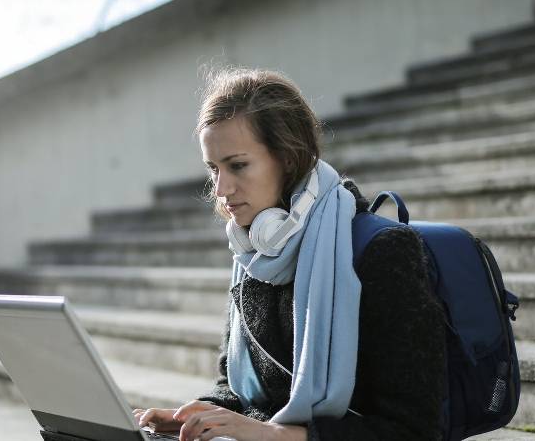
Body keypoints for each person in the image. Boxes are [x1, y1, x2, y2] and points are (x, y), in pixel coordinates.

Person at [133, 68, 446, 441]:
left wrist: (281, 436)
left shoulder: (383, 253)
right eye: (213, 168)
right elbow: (235, 387)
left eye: (237, 165)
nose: (220, 188)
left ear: (287, 157)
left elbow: (414, 429)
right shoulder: (253, 252)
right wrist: (197, 414)